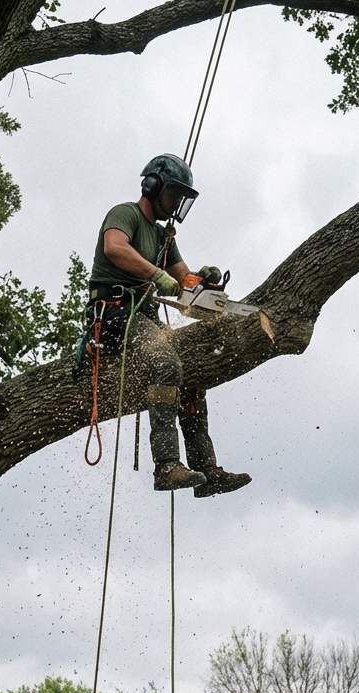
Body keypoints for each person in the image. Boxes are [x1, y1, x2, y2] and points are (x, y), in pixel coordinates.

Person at [84, 153, 251, 497]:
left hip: (143, 319)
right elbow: (114, 248)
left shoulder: (164, 239)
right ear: (152, 185)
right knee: (165, 362)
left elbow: (184, 281)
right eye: (174, 194)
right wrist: (154, 273)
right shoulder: (125, 214)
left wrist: (205, 282)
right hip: (114, 313)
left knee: (190, 374)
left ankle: (207, 470)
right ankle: (166, 466)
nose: (176, 203)